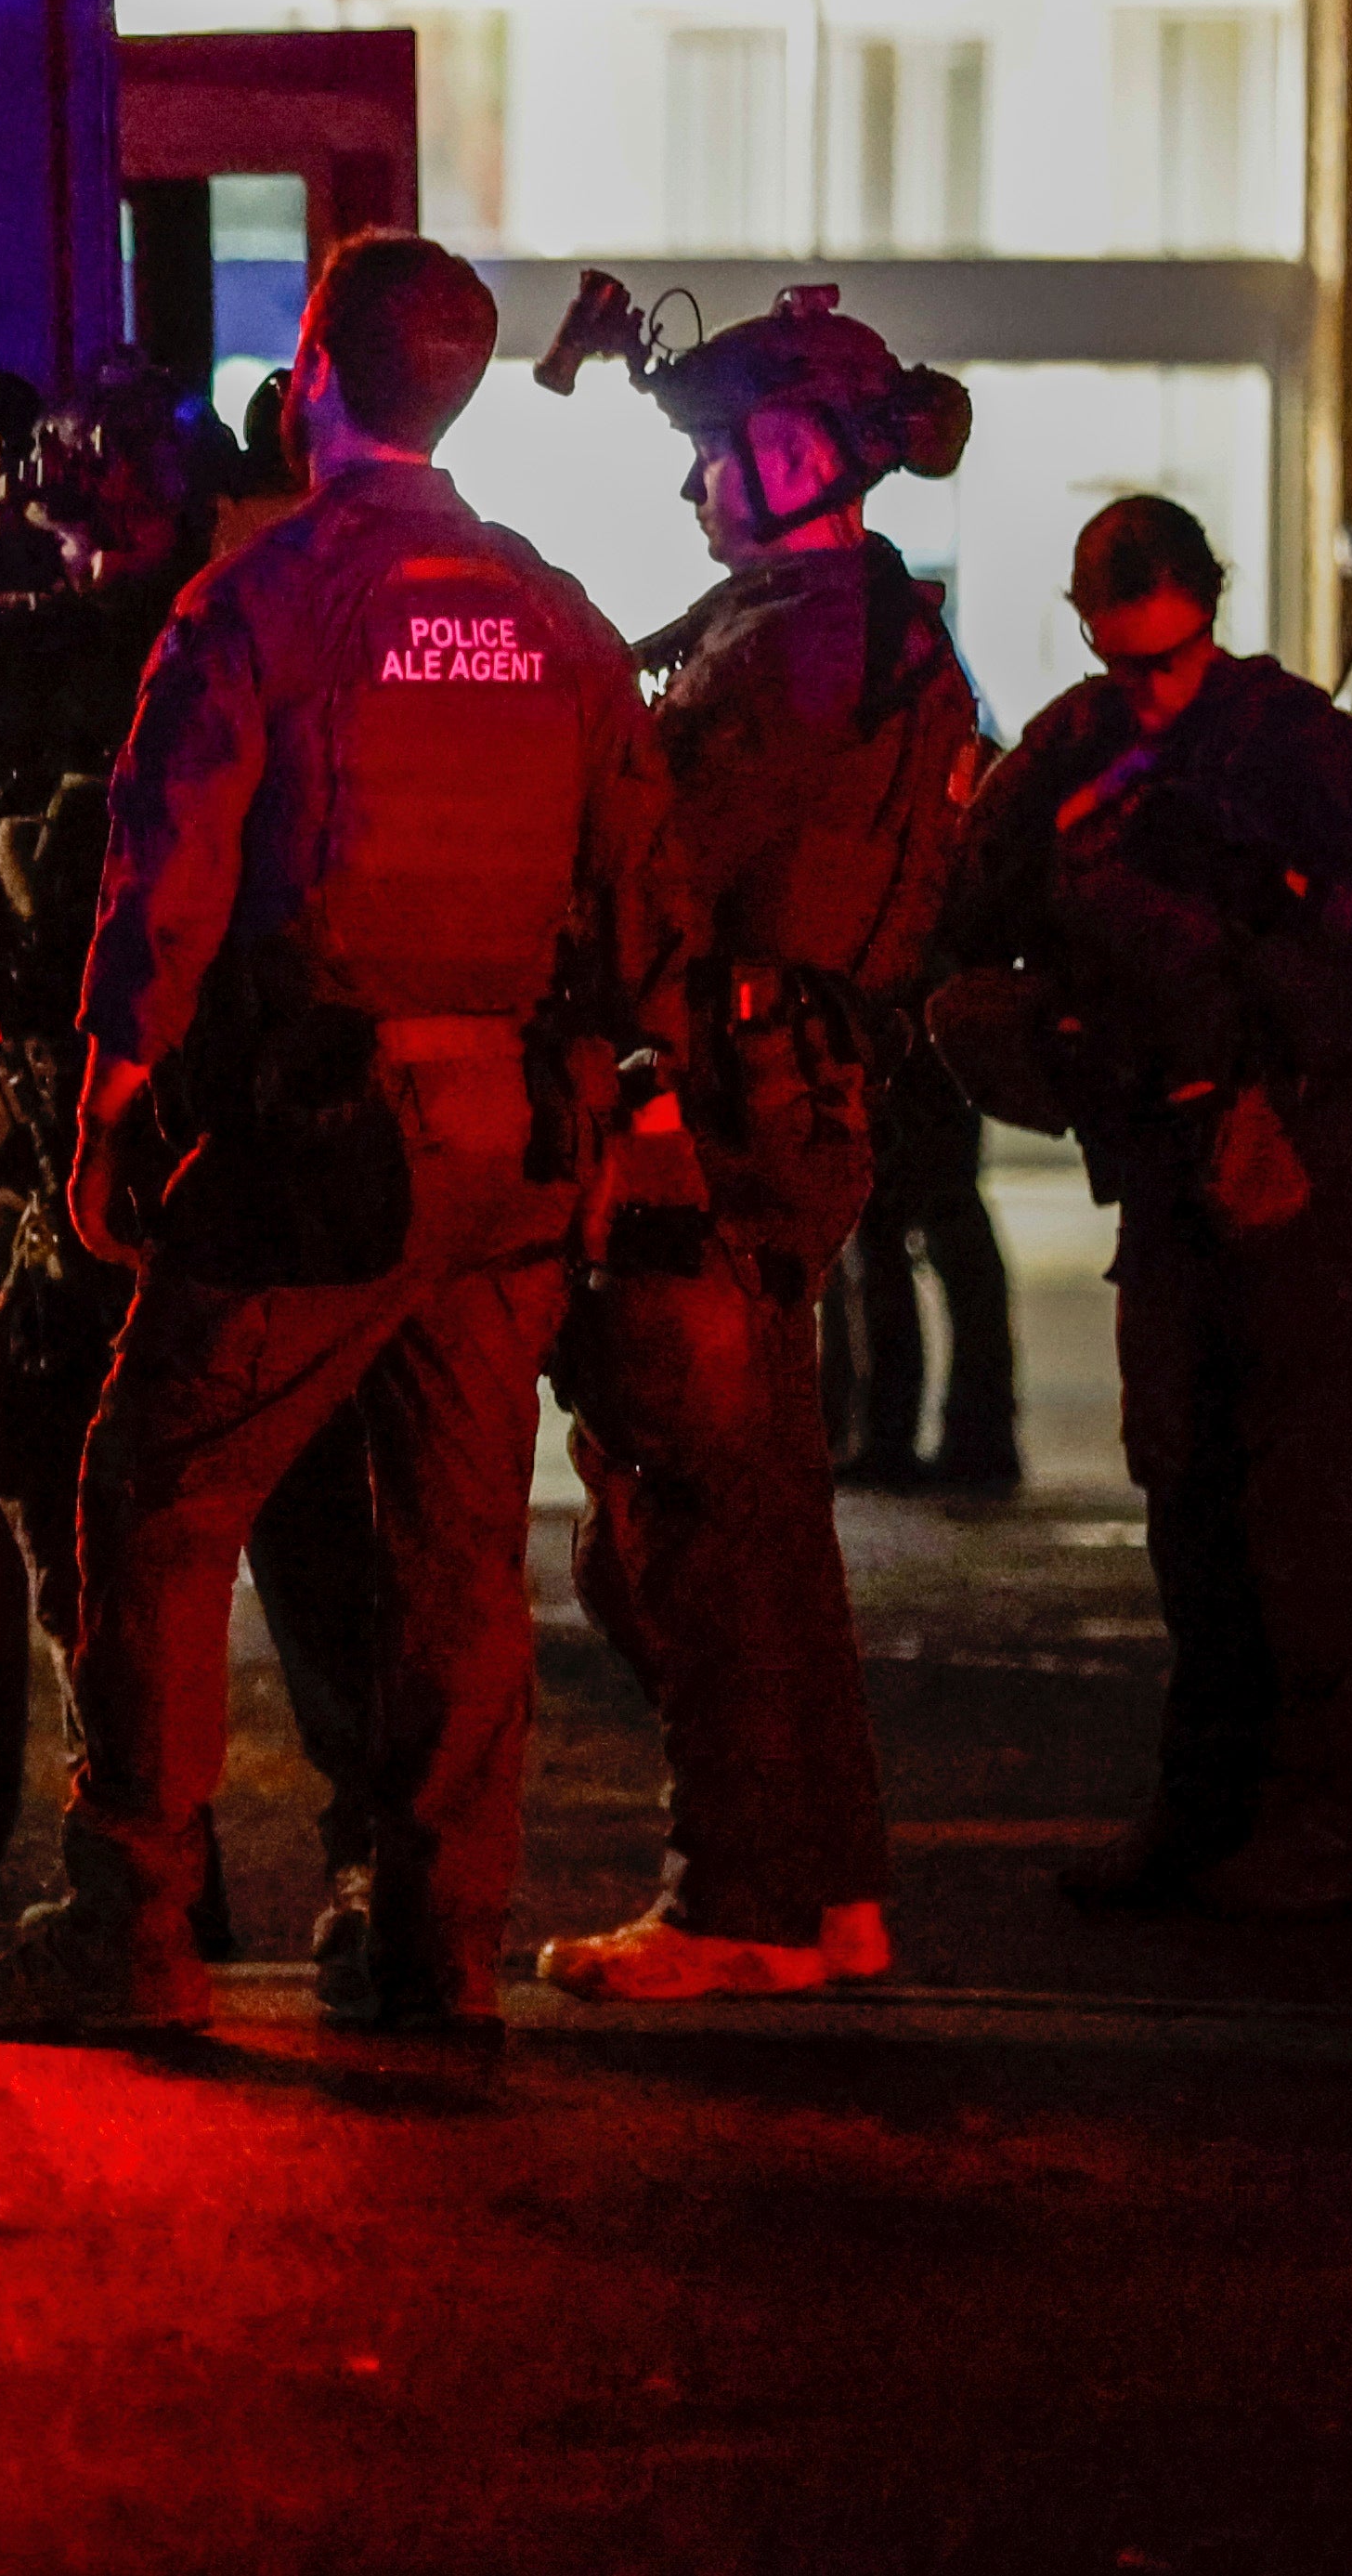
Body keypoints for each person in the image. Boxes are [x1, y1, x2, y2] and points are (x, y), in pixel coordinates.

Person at [0, 236, 673, 2039]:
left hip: (320, 1151)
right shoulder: (552, 609)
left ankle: (126, 1919)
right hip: (508, 1149)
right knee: (453, 1551)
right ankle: (437, 1940)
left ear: (310, 377)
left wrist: (117, 1098)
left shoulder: (266, 599)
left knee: (154, 1494)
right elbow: (638, 890)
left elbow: (165, 869)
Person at [938, 495, 1352, 1925]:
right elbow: (966, 908)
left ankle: (1319, 1824)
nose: (1149, 690)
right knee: (1189, 1499)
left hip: (1314, 1161)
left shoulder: (1297, 746)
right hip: (1176, 1169)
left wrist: (1282, 894)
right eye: (1122, 661)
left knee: (1313, 1511)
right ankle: (1203, 1813)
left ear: (1212, 614)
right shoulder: (1074, 749)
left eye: (1170, 658)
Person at [0, 366, 391, 1970]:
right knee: (259, 1533)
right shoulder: (265, 625)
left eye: (88, 481)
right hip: (171, 1150)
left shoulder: (163, 644)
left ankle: (171, 1895)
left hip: (155, 1144)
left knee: (135, 1532)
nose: (69, 503)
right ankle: (335, 1882)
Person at [541, 289, 982, 2003]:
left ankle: (735, 1894)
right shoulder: (866, 625)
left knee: (685, 1525)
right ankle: (824, 1891)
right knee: (770, 1530)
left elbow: (644, 865)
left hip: (710, 1111)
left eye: (711, 457)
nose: (692, 493)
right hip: (785, 1093)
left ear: (792, 456)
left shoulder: (784, 646)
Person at [826, 1020, 1020, 1491]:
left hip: (906, 1052)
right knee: (937, 1243)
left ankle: (899, 1435)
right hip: (930, 1058)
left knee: (891, 1250)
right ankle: (972, 1438)